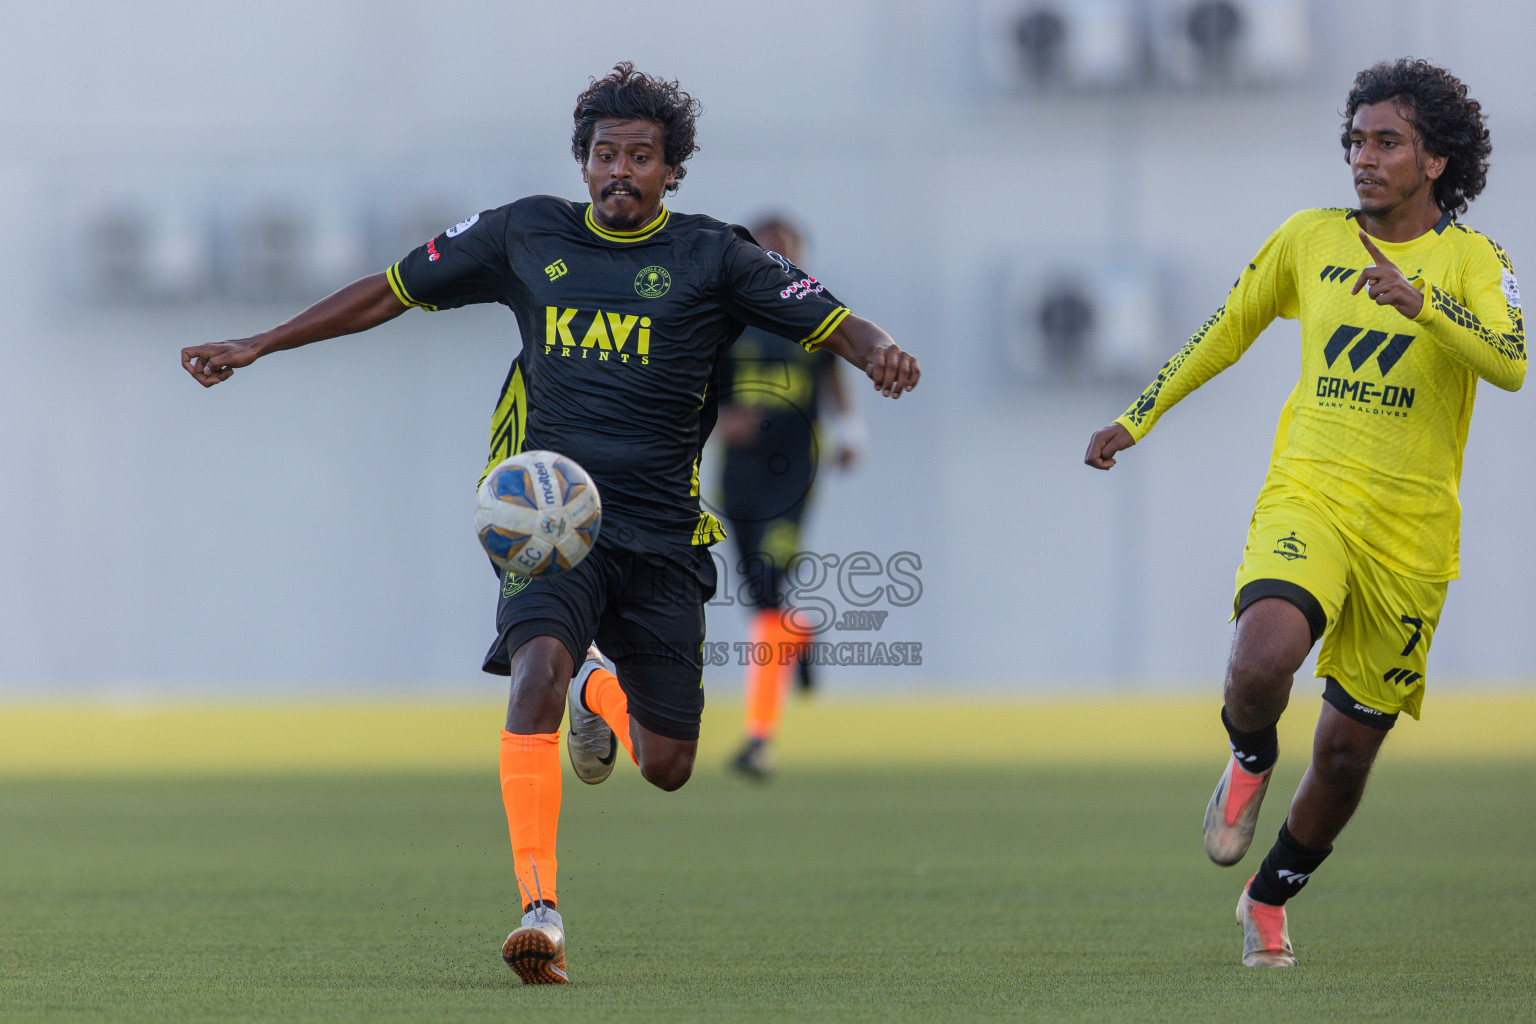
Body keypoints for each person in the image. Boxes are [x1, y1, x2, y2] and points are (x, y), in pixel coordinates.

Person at [181, 63, 920, 985]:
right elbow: (389, 290)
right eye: (605, 154)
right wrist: (259, 343)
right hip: (550, 515)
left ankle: (600, 697)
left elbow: (827, 317)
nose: (621, 172)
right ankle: (540, 910)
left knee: (670, 764)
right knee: (534, 673)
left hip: (662, 534)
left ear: (672, 170)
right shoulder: (526, 233)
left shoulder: (714, 256)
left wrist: (879, 347)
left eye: (641, 157)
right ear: (582, 161)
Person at [1084, 59, 1522, 967]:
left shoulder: (1476, 261)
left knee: (1347, 755)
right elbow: (1226, 327)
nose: (1364, 158)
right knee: (1262, 660)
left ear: (1435, 160)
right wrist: (1140, 414)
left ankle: (1270, 895)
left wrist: (1423, 303)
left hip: (1410, 535)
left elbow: (1510, 362)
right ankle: (1247, 759)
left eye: (1387, 142)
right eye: (1356, 140)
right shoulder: (1309, 239)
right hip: (1311, 495)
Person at [714, 214, 864, 780]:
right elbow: (696, 386)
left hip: (793, 475)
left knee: (767, 597)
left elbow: (835, 378)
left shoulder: (813, 314)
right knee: (761, 594)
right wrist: (722, 420)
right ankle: (798, 632)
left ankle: (759, 736)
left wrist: (852, 435)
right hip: (738, 477)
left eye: (788, 254)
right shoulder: (725, 318)